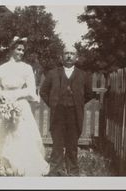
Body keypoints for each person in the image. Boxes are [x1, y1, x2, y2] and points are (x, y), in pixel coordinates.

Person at [0, 36, 49, 176]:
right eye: (18, 49)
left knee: (21, 134)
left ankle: (21, 165)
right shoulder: (2, 68)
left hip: (20, 105)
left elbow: (30, 90)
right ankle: (2, 165)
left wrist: (14, 96)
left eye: (23, 50)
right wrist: (0, 95)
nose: (21, 52)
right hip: (4, 106)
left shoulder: (27, 68)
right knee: (3, 134)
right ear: (11, 50)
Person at [40, 47, 95, 176]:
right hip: (57, 114)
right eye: (66, 53)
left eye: (72, 54)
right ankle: (55, 170)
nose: (69, 56)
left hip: (74, 114)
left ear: (77, 57)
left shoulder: (83, 75)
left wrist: (77, 103)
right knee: (57, 144)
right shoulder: (53, 73)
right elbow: (43, 91)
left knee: (72, 144)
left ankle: (73, 171)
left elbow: (89, 94)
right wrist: (53, 104)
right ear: (61, 57)